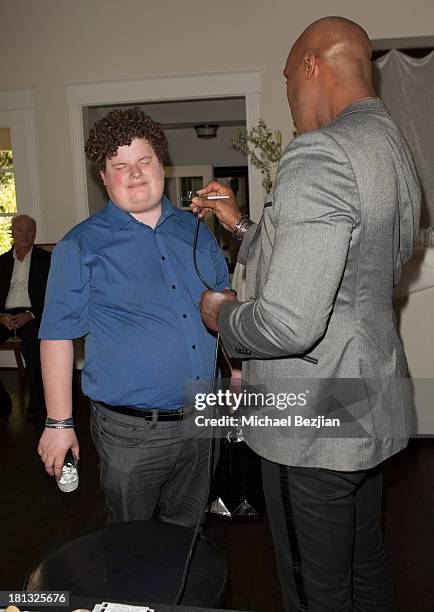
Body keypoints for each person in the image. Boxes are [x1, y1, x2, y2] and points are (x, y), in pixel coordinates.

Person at [192, 16, 421, 612]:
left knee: (313, 589)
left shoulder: (320, 151)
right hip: (366, 397)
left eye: (289, 78)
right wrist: (240, 225)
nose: (291, 96)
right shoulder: (391, 142)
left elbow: (290, 323)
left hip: (313, 416)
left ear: (312, 66)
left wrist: (224, 316)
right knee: (363, 562)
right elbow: (338, 267)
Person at [37, 108, 229, 527]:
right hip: (130, 434)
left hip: (203, 421)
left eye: (144, 162)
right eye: (120, 166)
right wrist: (58, 422)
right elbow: (56, 335)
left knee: (189, 534)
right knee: (130, 547)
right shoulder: (80, 246)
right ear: (104, 178)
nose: (136, 174)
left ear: (163, 165)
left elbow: (226, 313)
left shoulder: (198, 231)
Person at [0, 215, 51, 421]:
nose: (25, 234)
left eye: (29, 230)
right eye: (19, 230)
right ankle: (2, 402)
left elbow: (54, 297)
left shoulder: (47, 260)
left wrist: (29, 315)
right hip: (5, 315)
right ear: (12, 232)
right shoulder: (1, 261)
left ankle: (37, 405)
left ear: (35, 233)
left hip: (33, 314)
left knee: (32, 345)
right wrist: (1, 316)